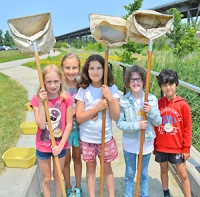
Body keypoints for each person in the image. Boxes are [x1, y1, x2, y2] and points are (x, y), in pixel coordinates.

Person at [75, 54, 120, 197]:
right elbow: (80, 117)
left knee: (107, 169)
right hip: (87, 138)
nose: (95, 72)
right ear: (87, 70)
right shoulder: (83, 90)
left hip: (105, 138)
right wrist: (98, 107)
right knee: (90, 169)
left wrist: (110, 98)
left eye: (99, 68)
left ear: (105, 70)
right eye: (92, 68)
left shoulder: (111, 89)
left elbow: (115, 116)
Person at [116, 65, 162, 197]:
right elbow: (119, 123)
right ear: (128, 82)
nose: (135, 82)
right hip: (130, 143)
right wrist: (137, 125)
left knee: (143, 173)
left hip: (146, 142)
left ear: (143, 81)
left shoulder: (151, 99)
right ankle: (128, 195)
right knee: (130, 173)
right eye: (132, 79)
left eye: (138, 79)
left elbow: (158, 122)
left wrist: (151, 111)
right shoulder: (124, 100)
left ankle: (144, 195)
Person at [30, 64, 73, 197]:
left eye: (55, 81)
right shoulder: (36, 99)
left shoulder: (66, 99)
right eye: (48, 82)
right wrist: (42, 103)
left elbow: (69, 125)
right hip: (43, 146)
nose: (52, 85)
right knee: (47, 178)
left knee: (58, 177)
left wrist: (60, 146)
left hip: (60, 146)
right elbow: (42, 125)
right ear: (43, 82)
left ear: (61, 80)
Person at [155, 69, 192, 197]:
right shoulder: (159, 104)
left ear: (176, 84)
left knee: (182, 174)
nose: (168, 87)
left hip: (177, 147)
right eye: (164, 85)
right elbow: (155, 124)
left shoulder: (183, 105)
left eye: (170, 84)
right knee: (163, 169)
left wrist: (186, 148)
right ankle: (166, 192)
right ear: (161, 86)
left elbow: (187, 128)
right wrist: (154, 144)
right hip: (161, 145)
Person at [61, 53, 83, 197]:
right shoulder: (59, 84)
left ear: (79, 68)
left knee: (77, 159)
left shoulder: (82, 84)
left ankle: (79, 187)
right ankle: (68, 186)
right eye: (67, 67)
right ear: (62, 68)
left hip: (80, 129)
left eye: (74, 67)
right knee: (66, 160)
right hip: (64, 131)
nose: (71, 71)